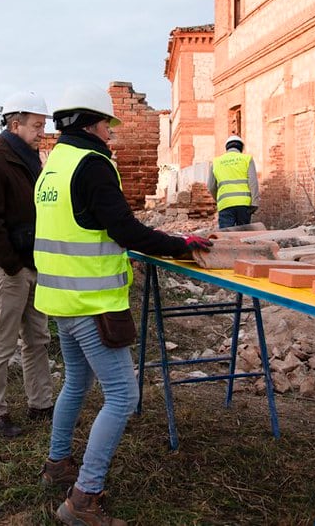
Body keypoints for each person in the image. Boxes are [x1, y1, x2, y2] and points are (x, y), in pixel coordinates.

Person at [34, 82, 212, 526]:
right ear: (93, 124)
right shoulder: (93, 165)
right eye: (108, 127)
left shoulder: (53, 165)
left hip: (60, 299)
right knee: (122, 395)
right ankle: (83, 499)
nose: (111, 136)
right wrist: (179, 244)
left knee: (76, 381)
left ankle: (57, 464)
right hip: (92, 301)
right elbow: (125, 230)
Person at [0, 91, 54, 438]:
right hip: (7, 270)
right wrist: (11, 265)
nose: (41, 132)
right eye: (36, 125)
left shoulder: (31, 161)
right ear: (15, 124)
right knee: (1, 343)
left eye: (43, 125)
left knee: (38, 339)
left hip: (33, 264)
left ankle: (42, 404)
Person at [207, 135, 260, 229]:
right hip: (244, 204)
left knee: (226, 235)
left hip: (225, 204)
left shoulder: (216, 162)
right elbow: (253, 182)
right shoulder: (247, 159)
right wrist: (254, 202)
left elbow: (211, 186)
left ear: (226, 147)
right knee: (243, 235)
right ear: (241, 148)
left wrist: (219, 199)